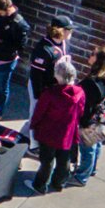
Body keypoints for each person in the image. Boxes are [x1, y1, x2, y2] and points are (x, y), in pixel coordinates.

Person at [27, 58, 85, 193]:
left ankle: (40, 185)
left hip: (49, 132)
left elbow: (39, 112)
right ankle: (58, 183)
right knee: (63, 160)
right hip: (68, 133)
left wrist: (34, 125)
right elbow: (80, 112)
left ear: (58, 76)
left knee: (47, 161)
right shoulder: (80, 93)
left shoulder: (50, 93)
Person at [72, 46, 105, 187]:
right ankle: (91, 169)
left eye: (93, 54)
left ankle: (81, 177)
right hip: (100, 117)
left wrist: (83, 123)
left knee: (88, 149)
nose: (89, 55)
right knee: (96, 144)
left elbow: (86, 106)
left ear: (99, 61)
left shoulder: (91, 83)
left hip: (89, 120)